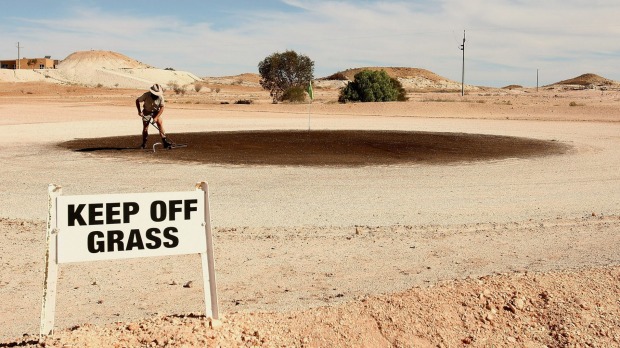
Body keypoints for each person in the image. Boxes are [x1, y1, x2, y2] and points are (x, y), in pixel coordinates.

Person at [136, 84, 171, 149]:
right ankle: (144, 143)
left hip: (156, 112)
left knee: (160, 124)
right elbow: (137, 100)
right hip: (146, 112)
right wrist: (139, 111)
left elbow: (162, 107)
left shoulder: (161, 97)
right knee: (145, 128)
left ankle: (165, 141)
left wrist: (156, 117)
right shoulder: (146, 95)